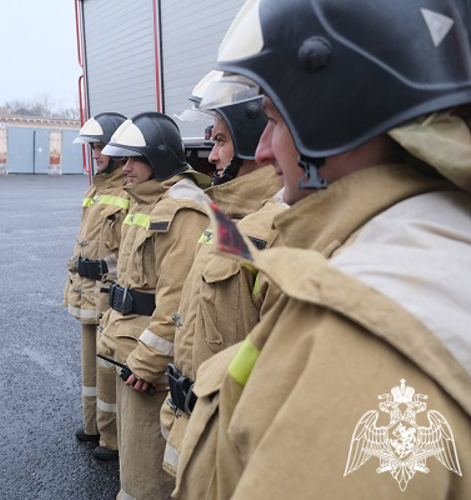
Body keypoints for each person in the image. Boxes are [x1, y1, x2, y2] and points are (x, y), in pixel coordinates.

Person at [173, 0, 471, 498]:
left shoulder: (355, 334)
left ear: (331, 120)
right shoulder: (436, 248)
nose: (264, 150)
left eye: (274, 120)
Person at [160, 94, 285, 477]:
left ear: (251, 141)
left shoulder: (277, 231)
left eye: (218, 141)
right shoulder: (226, 218)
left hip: (233, 449)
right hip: (193, 425)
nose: (211, 157)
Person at [98, 112, 211, 500]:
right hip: (129, 348)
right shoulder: (146, 201)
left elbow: (179, 301)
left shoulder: (182, 211)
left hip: (147, 363)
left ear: (159, 158)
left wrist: (148, 360)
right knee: (133, 463)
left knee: (145, 475)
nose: (124, 168)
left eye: (133, 159)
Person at [65, 112, 129, 460]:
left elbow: (127, 254)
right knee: (90, 366)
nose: (96, 153)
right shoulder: (98, 188)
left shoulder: (127, 193)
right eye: (94, 147)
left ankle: (113, 438)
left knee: (108, 368)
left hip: (109, 297)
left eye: (101, 146)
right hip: (87, 293)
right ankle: (93, 425)